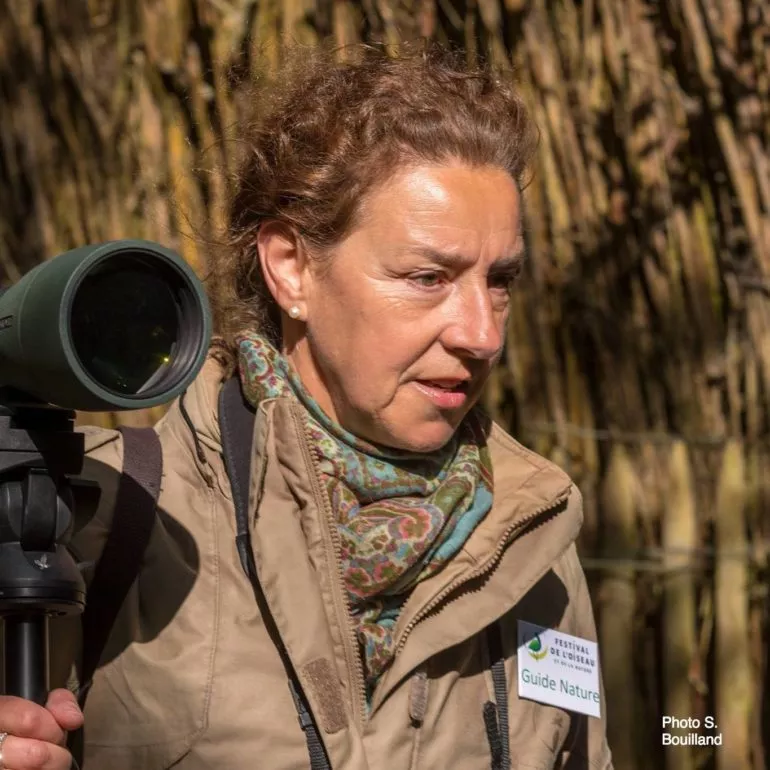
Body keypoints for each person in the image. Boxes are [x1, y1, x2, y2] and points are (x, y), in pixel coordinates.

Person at [0, 40, 613, 770]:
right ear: (291, 267)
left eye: (500, 280)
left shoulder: (533, 540)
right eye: (427, 277)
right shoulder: (100, 517)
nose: (481, 334)